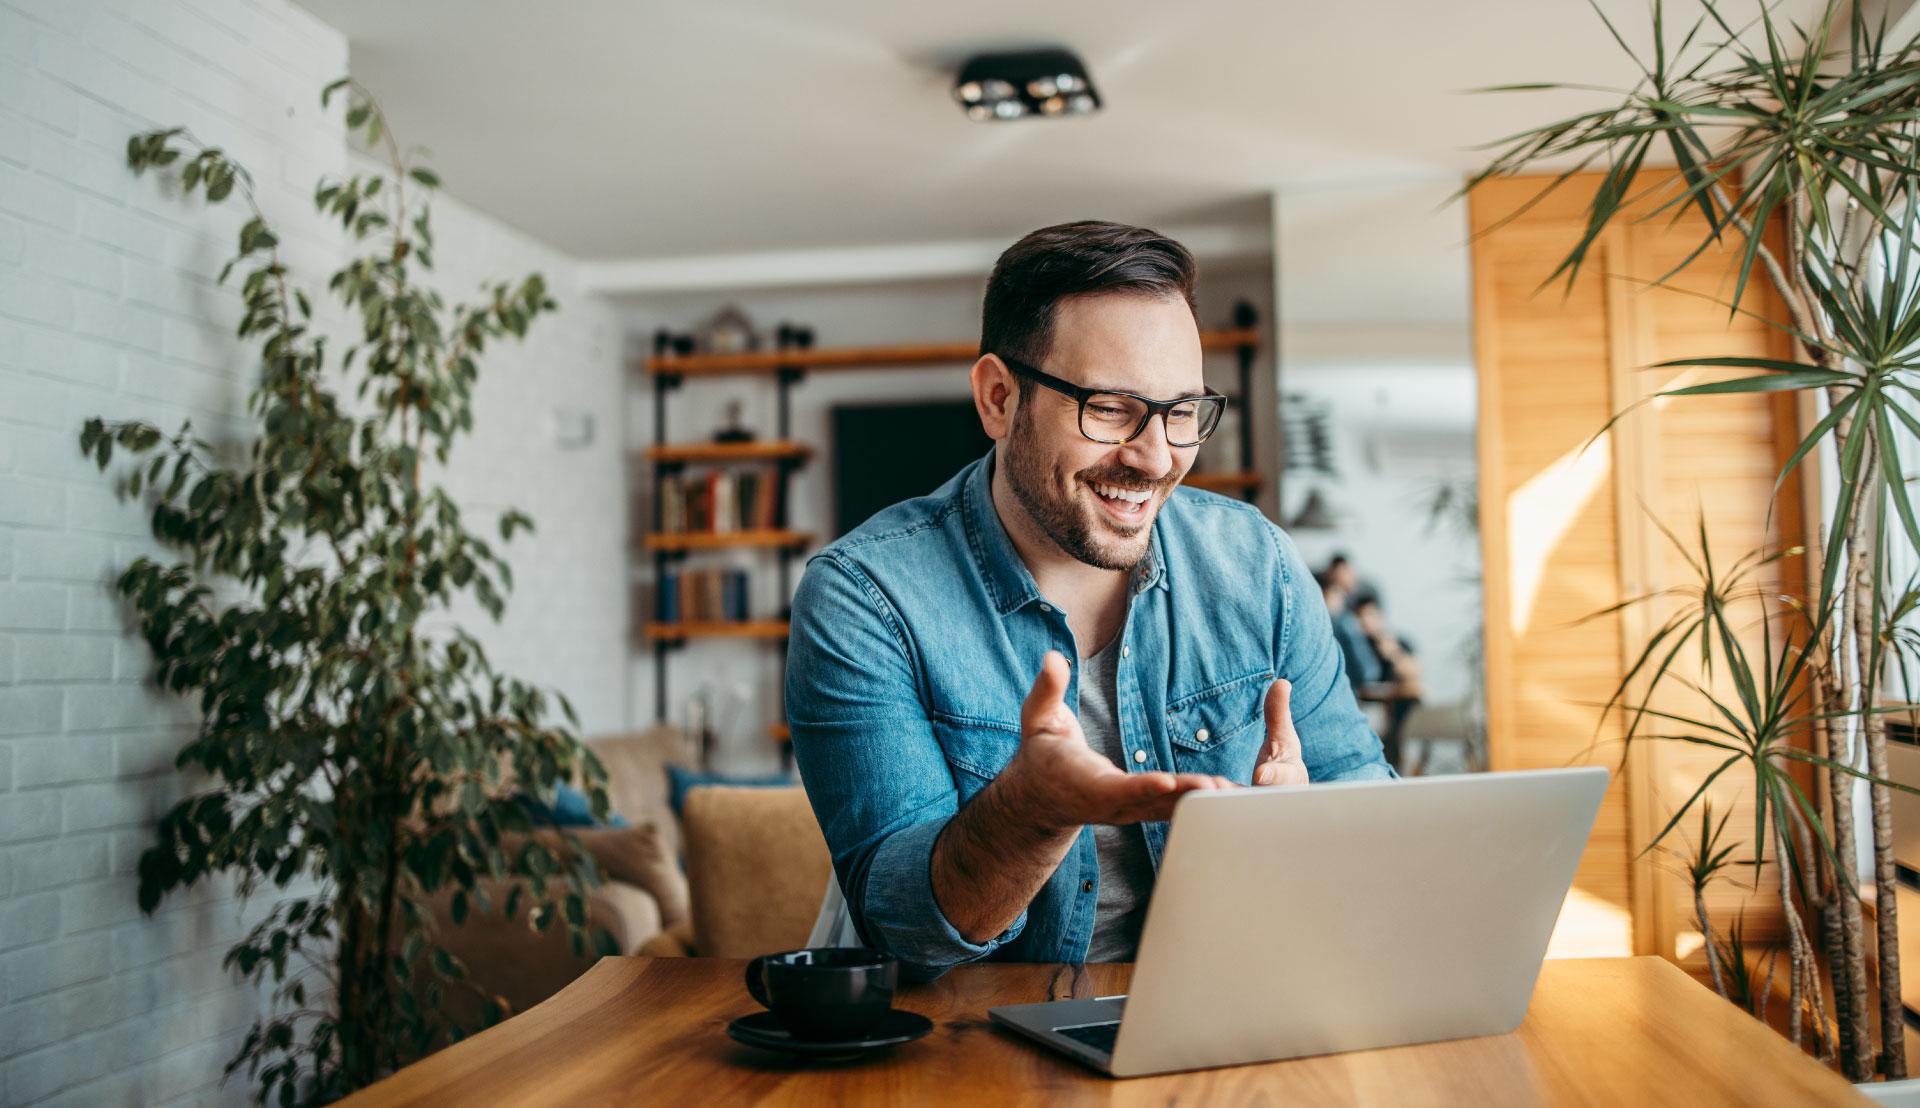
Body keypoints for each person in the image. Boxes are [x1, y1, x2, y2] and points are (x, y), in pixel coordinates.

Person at [786, 220, 1393, 981]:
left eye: (1181, 412)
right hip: (973, 1032)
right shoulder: (865, 599)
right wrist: (1030, 815)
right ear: (999, 398)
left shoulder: (1256, 563)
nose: (1156, 457)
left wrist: (1306, 836)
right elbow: (903, 934)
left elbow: (1370, 812)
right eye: (1109, 408)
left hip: (1224, 1002)